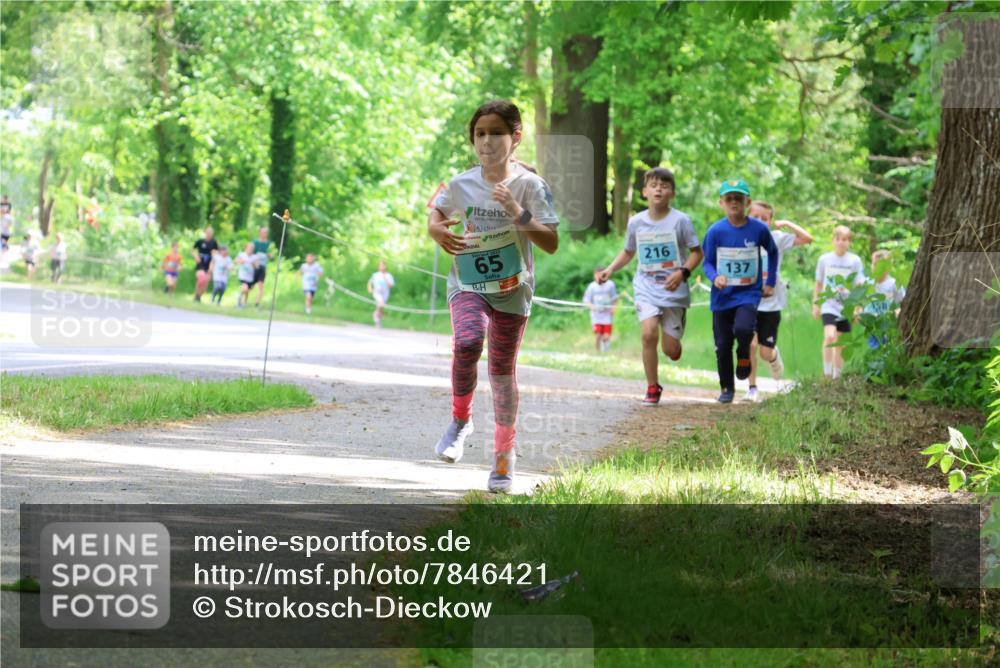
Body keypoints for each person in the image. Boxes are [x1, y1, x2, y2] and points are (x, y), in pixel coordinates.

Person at [427, 99, 559, 493]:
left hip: (512, 291)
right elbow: (435, 215)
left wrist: (517, 211)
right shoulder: (460, 183)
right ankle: (460, 420)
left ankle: (504, 459)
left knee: (502, 374)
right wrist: (436, 230)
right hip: (467, 283)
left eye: (496, 133)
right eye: (479, 134)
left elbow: (550, 242)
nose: (486, 141)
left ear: (515, 137)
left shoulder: (532, 186)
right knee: (467, 341)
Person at [601, 167, 703, 404]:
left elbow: (697, 253)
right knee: (648, 334)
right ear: (645, 191)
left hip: (673, 289)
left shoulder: (681, 221)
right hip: (646, 286)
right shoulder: (636, 222)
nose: (659, 189)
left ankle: (675, 340)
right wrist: (609, 269)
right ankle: (652, 386)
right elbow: (628, 251)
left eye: (665, 185)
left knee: (671, 351)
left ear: (672, 193)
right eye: (654, 185)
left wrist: (683, 272)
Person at [702, 179, 779, 404]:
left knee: (744, 329)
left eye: (739, 198)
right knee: (723, 344)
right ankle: (727, 388)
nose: (734, 202)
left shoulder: (758, 229)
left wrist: (770, 281)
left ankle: (744, 353)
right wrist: (716, 277)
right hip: (722, 297)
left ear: (748, 202)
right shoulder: (716, 231)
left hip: (748, 293)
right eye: (729, 198)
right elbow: (707, 263)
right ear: (721, 202)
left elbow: (772, 252)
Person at [744, 201, 813, 401]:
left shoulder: (777, 239)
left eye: (764, 218)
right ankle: (752, 388)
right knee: (750, 343)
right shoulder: (742, 238)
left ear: (771, 221)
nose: (759, 221)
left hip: (771, 304)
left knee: (765, 353)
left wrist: (788, 224)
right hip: (749, 302)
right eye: (755, 217)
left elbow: (807, 239)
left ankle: (773, 356)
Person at [813, 225, 865, 379]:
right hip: (828, 305)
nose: (841, 242)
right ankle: (827, 374)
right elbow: (818, 284)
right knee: (829, 336)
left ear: (849, 242)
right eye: (838, 239)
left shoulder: (855, 261)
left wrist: (858, 307)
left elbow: (859, 286)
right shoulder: (824, 259)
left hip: (846, 307)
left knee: (840, 342)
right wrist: (816, 304)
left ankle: (837, 377)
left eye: (845, 240)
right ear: (833, 240)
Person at [864, 249, 906, 349]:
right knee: (874, 351)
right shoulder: (868, 283)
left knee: (887, 349)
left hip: (887, 324)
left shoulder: (893, 283)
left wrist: (897, 312)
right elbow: (861, 302)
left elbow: (903, 302)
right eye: (874, 264)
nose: (876, 268)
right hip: (873, 325)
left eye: (880, 266)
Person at [583, 266, 619, 353]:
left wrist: (614, 308)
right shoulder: (592, 287)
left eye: (601, 274)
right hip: (596, 315)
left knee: (606, 336)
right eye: (597, 275)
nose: (599, 277)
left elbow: (615, 298)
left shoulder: (610, 285)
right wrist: (592, 307)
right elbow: (586, 300)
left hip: (607, 314)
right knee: (598, 334)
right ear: (594, 275)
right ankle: (598, 353)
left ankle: (605, 347)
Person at [192, 226, 218, 302]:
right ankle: (196, 295)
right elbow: (193, 250)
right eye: (208, 232)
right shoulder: (200, 242)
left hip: (209, 265)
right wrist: (195, 256)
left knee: (205, 284)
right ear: (205, 232)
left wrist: (212, 265)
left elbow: (215, 254)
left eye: (211, 232)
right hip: (200, 264)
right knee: (201, 279)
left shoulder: (214, 243)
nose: (209, 234)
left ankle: (198, 296)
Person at [367, 260, 395, 328]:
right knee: (381, 302)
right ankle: (376, 319)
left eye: (383, 265)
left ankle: (378, 320)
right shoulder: (375, 275)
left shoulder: (388, 275)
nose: (382, 267)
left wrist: (386, 279)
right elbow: (370, 282)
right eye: (380, 265)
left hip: (385, 293)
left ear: (386, 266)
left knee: (381, 308)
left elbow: (391, 285)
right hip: (377, 292)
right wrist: (370, 288)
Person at [251, 226, 272, 309]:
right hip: (254, 267)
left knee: (261, 285)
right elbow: (250, 253)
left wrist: (269, 255)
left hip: (262, 267)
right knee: (250, 286)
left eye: (266, 232)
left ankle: (257, 303)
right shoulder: (255, 242)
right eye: (263, 232)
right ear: (260, 233)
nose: (264, 234)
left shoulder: (269, 244)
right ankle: (242, 299)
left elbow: (271, 254)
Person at [235, 242, 258, 309]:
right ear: (246, 248)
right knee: (245, 288)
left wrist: (253, 264)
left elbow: (257, 267)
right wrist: (241, 261)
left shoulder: (254, 257)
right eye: (249, 248)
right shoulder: (242, 254)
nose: (250, 250)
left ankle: (244, 303)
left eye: (252, 248)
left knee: (247, 291)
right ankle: (239, 297)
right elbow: (236, 261)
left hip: (250, 277)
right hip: (243, 276)